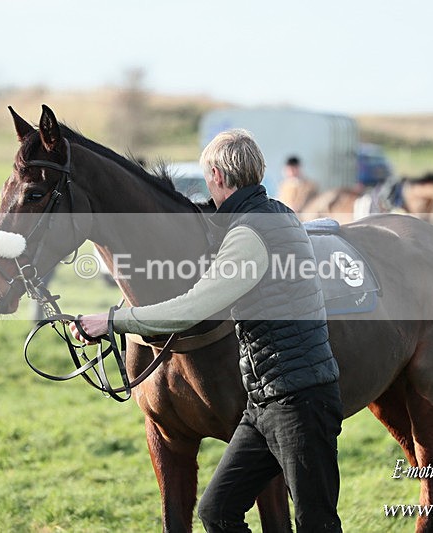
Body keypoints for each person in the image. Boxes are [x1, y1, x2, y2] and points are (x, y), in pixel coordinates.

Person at [71, 130, 343, 532]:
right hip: (264, 403)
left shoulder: (249, 235)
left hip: (300, 403)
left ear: (216, 175)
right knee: (216, 511)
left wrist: (112, 321)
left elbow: (193, 307)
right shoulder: (277, 212)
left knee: (316, 524)